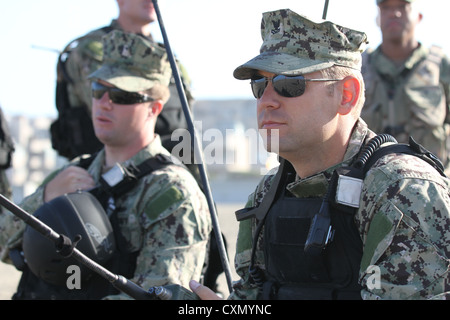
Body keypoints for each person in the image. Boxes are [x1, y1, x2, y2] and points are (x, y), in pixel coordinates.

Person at [189, 9, 450, 300]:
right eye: (259, 85)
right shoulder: (269, 194)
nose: (266, 101)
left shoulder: (403, 193)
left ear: (346, 95)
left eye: (290, 84)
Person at [0, 30, 211, 300]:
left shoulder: (172, 192)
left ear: (154, 108)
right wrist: (45, 196)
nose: (104, 103)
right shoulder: (70, 174)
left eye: (122, 95)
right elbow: (5, 246)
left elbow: (160, 294)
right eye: (98, 90)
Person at [52, 0, 193, 160]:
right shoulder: (95, 50)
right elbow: (117, 118)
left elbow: (186, 127)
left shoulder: (167, 59)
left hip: (170, 170)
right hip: (110, 175)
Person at [361, 0, 450, 172]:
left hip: (432, 184)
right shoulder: (361, 68)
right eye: (386, 8)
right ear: (377, 18)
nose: (395, 13)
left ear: (419, 16)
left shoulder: (440, 66)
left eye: (403, 6)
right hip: (372, 185)